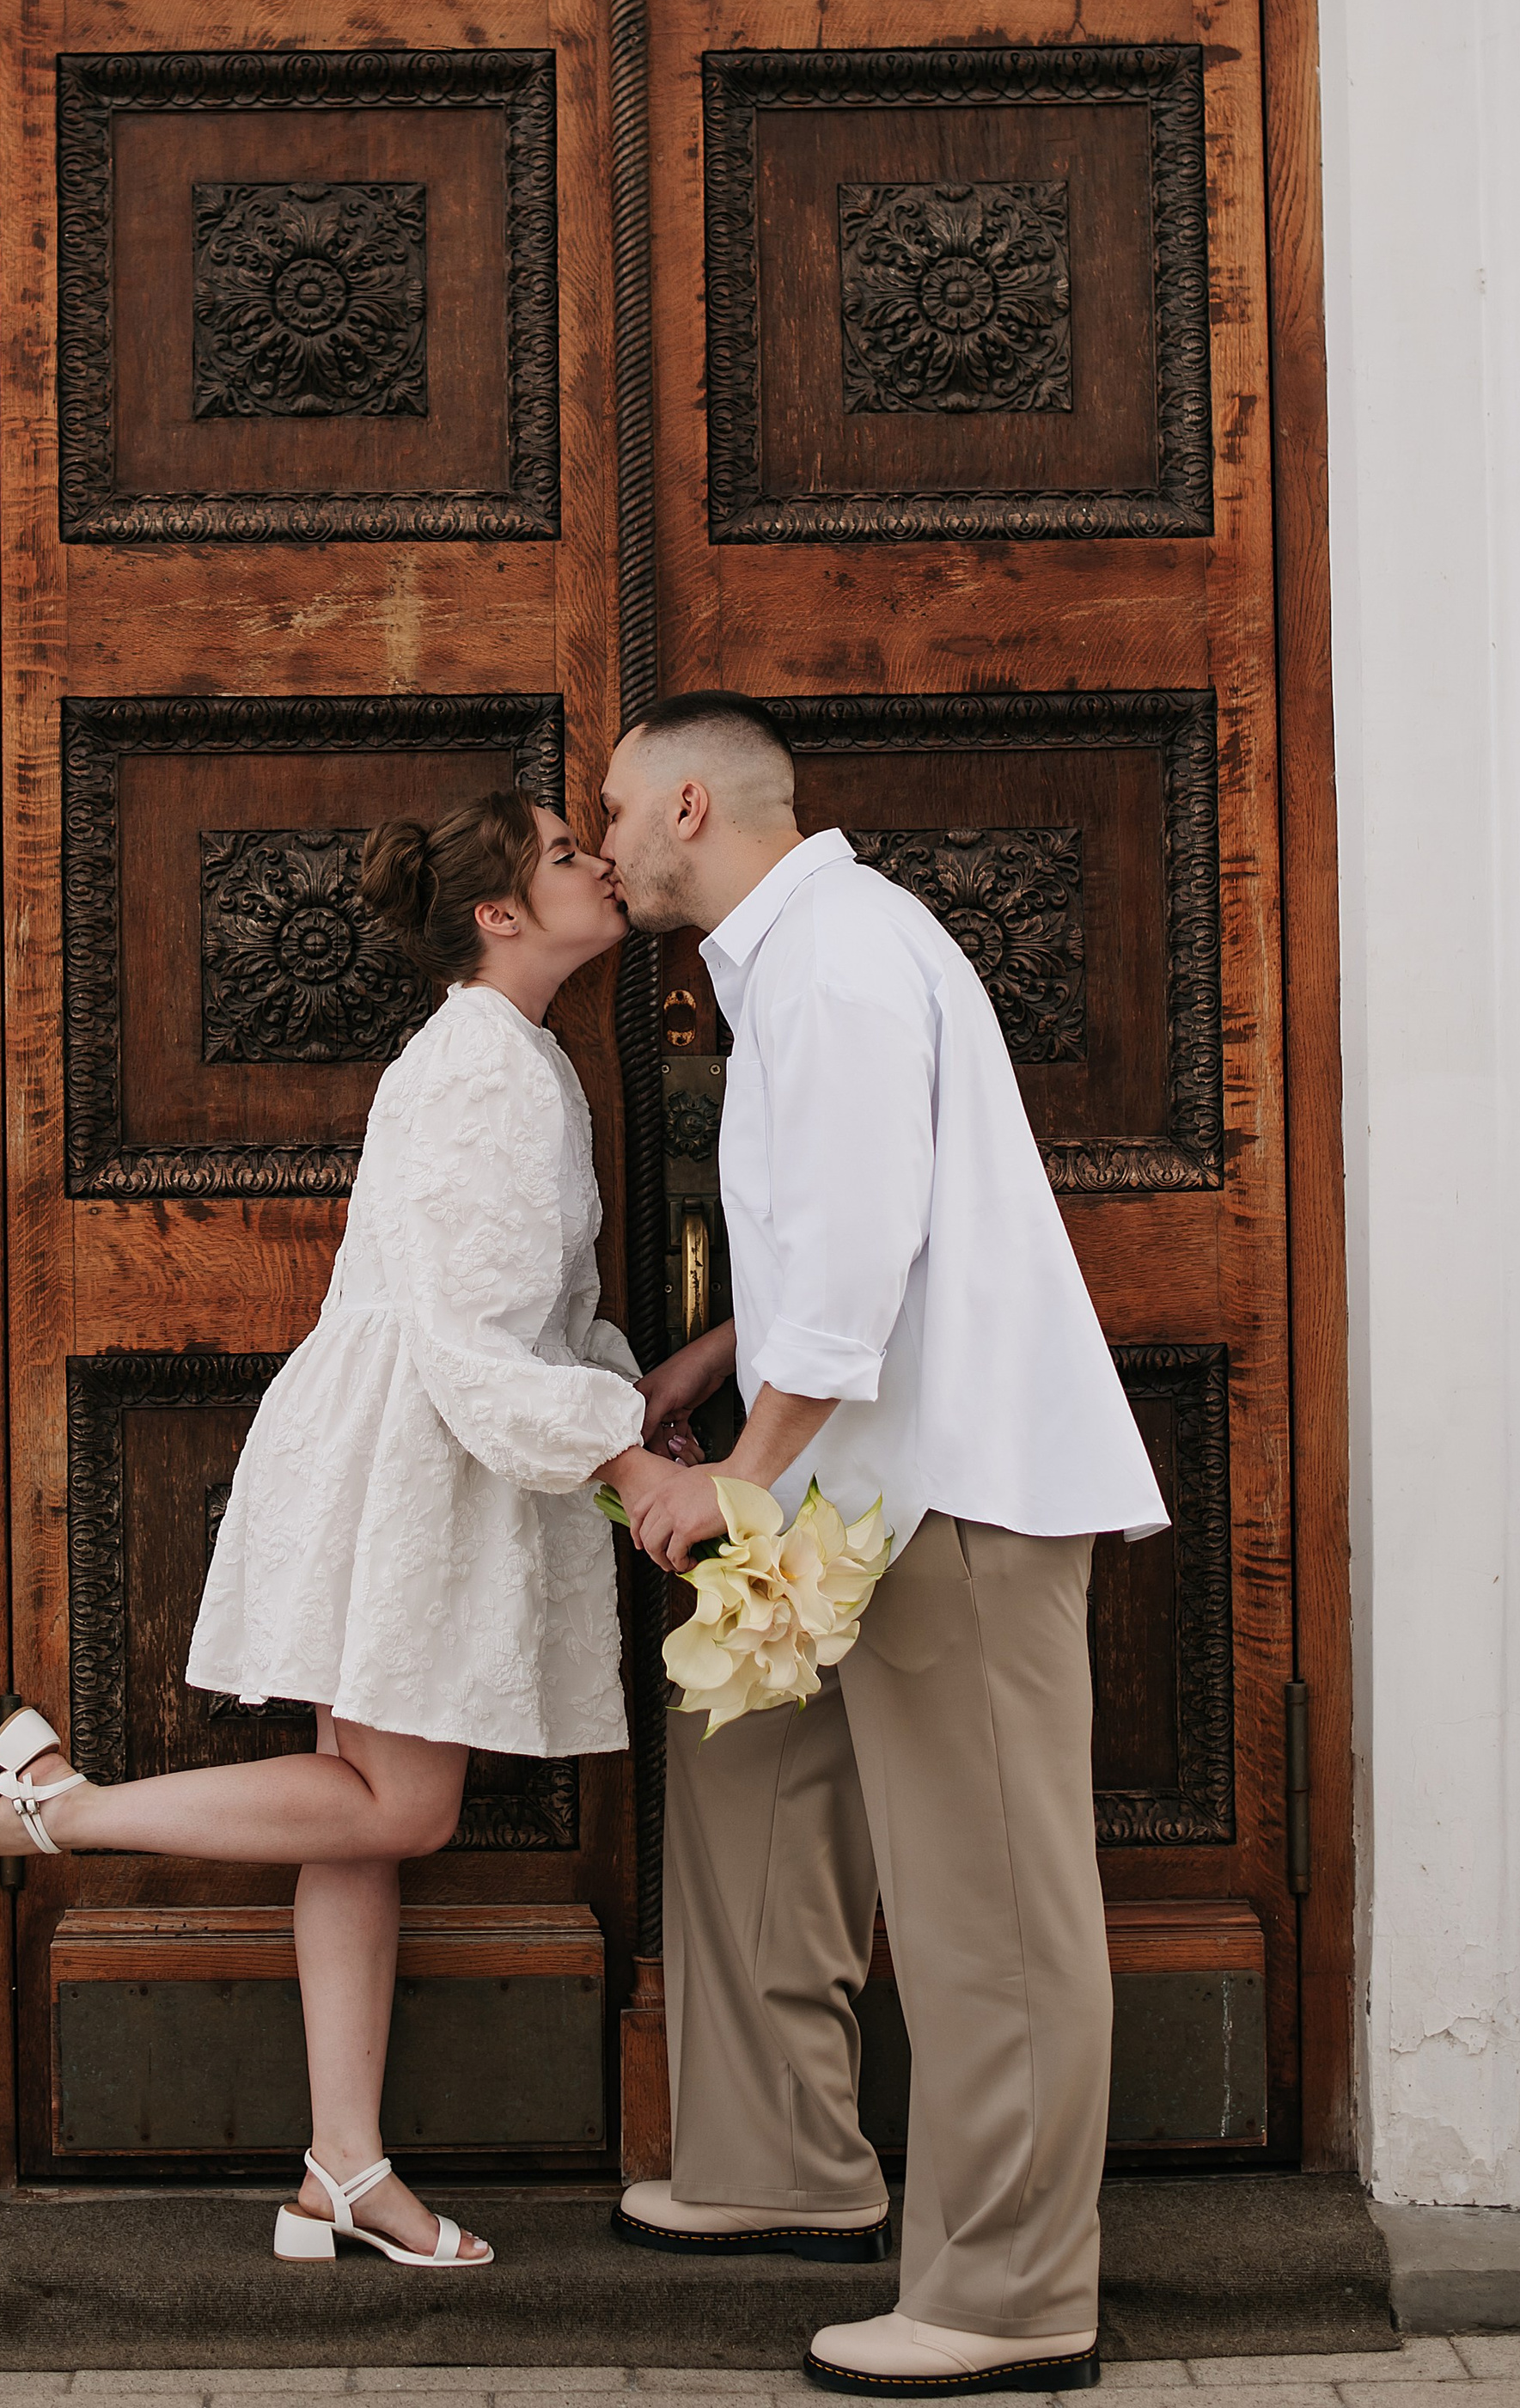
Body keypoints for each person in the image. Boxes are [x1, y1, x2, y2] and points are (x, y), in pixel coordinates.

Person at [0, 792, 692, 2274]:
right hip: (413, 1460)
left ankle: (342, 2167)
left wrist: (631, 1401)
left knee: (358, 1807)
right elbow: (467, 1339)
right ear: (501, 911)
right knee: (399, 1809)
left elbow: (521, 1310)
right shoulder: (486, 1066)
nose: (601, 863)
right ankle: (56, 1809)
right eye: (567, 853)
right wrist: (613, 1452)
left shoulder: (513, 1058)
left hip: (409, 1449)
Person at [598, 694, 1168, 2400]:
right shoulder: (798, 952)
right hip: (849, 1483)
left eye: (611, 803)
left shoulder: (838, 955)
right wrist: (715, 1360)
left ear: (687, 801)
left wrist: (727, 1480)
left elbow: (855, 1264)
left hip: (943, 1497)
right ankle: (781, 2158)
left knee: (987, 1898)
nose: (603, 832)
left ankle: (1007, 2294)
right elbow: (822, 1248)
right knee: (746, 1780)